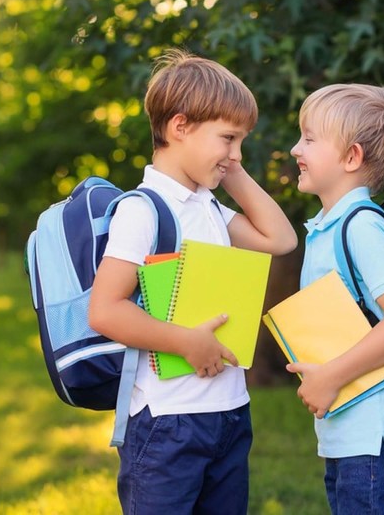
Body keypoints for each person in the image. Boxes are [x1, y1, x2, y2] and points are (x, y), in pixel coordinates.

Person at [88, 48, 297, 515]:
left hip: (227, 414)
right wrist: (185, 342)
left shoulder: (209, 208)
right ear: (179, 127)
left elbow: (280, 239)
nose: (236, 153)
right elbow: (105, 309)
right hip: (168, 423)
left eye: (240, 141)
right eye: (228, 138)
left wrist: (231, 169)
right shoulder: (143, 211)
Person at [287, 83, 384, 514]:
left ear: (352, 157)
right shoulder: (330, 226)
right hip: (350, 430)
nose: (296, 148)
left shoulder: (360, 227)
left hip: (374, 433)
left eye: (310, 139)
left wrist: (330, 377)